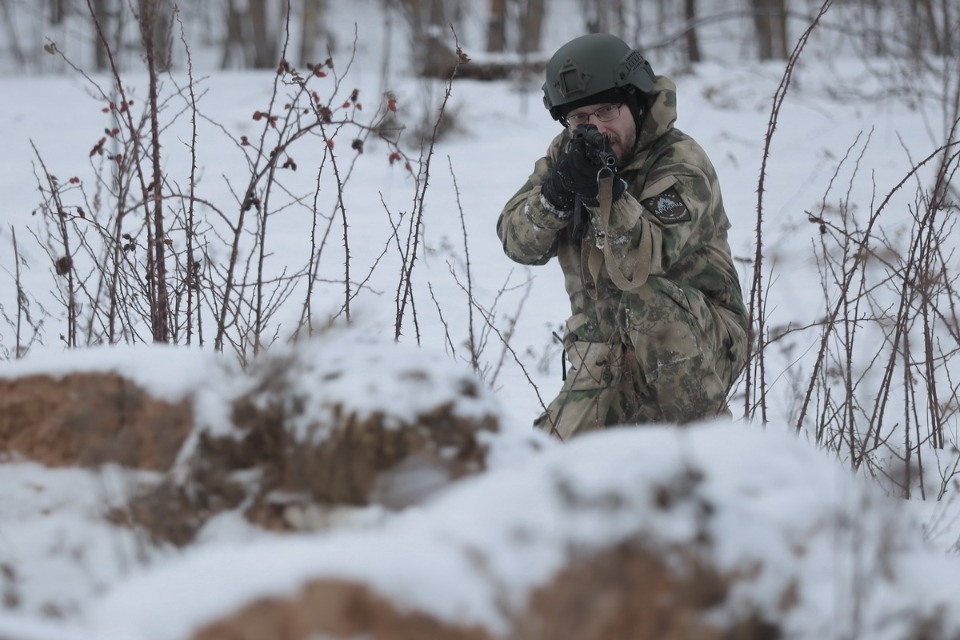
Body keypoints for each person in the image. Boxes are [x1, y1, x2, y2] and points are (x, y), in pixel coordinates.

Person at [497, 33, 749, 440]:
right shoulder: (566, 156)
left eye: (607, 110)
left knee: (645, 297)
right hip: (603, 351)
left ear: (634, 103)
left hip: (700, 343)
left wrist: (605, 191)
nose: (595, 129)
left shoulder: (681, 163)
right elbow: (516, 241)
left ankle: (710, 452)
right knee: (544, 472)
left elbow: (639, 265)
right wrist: (556, 194)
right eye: (580, 118)